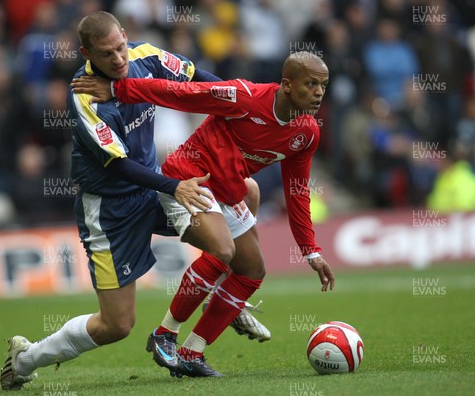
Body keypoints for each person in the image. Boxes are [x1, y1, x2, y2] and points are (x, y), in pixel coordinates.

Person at [0, 11, 267, 390]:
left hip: (156, 187)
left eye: (121, 47)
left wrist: (238, 103)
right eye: (107, 54)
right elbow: (120, 165)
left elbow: (196, 80)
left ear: (126, 36)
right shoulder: (85, 98)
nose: (119, 59)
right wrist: (174, 187)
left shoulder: (147, 56)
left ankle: (223, 300)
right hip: (111, 211)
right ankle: (25, 359)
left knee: (247, 194)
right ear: (86, 52)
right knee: (117, 325)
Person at [73, 51, 336, 377]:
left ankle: (191, 353)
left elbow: (296, 189)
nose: (319, 92)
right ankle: (165, 335)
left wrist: (310, 250)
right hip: (189, 179)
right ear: (286, 84)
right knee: (223, 250)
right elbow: (180, 94)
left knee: (252, 272)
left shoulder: (307, 133)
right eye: (311, 84)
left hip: (227, 191)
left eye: (323, 85)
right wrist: (118, 91)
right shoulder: (245, 97)